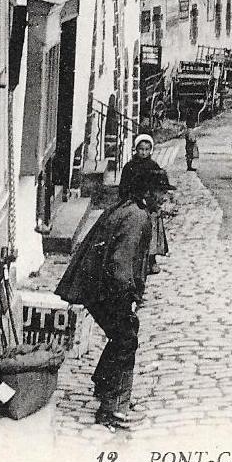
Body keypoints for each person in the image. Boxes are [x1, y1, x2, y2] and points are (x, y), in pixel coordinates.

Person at [55, 167, 175, 431]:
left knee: (122, 334)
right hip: (105, 288)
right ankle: (112, 409)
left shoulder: (128, 208)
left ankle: (103, 386)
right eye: (160, 193)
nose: (163, 198)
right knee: (126, 339)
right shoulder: (137, 217)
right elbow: (121, 262)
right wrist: (128, 297)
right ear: (146, 192)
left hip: (95, 285)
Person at [117, 134, 169, 277]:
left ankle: (152, 260)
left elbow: (160, 186)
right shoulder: (130, 167)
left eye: (147, 149)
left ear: (150, 150)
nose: (144, 152)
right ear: (136, 149)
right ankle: (135, 262)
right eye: (141, 149)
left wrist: (155, 198)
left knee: (153, 227)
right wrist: (134, 197)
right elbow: (124, 188)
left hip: (150, 204)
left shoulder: (153, 166)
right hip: (134, 202)